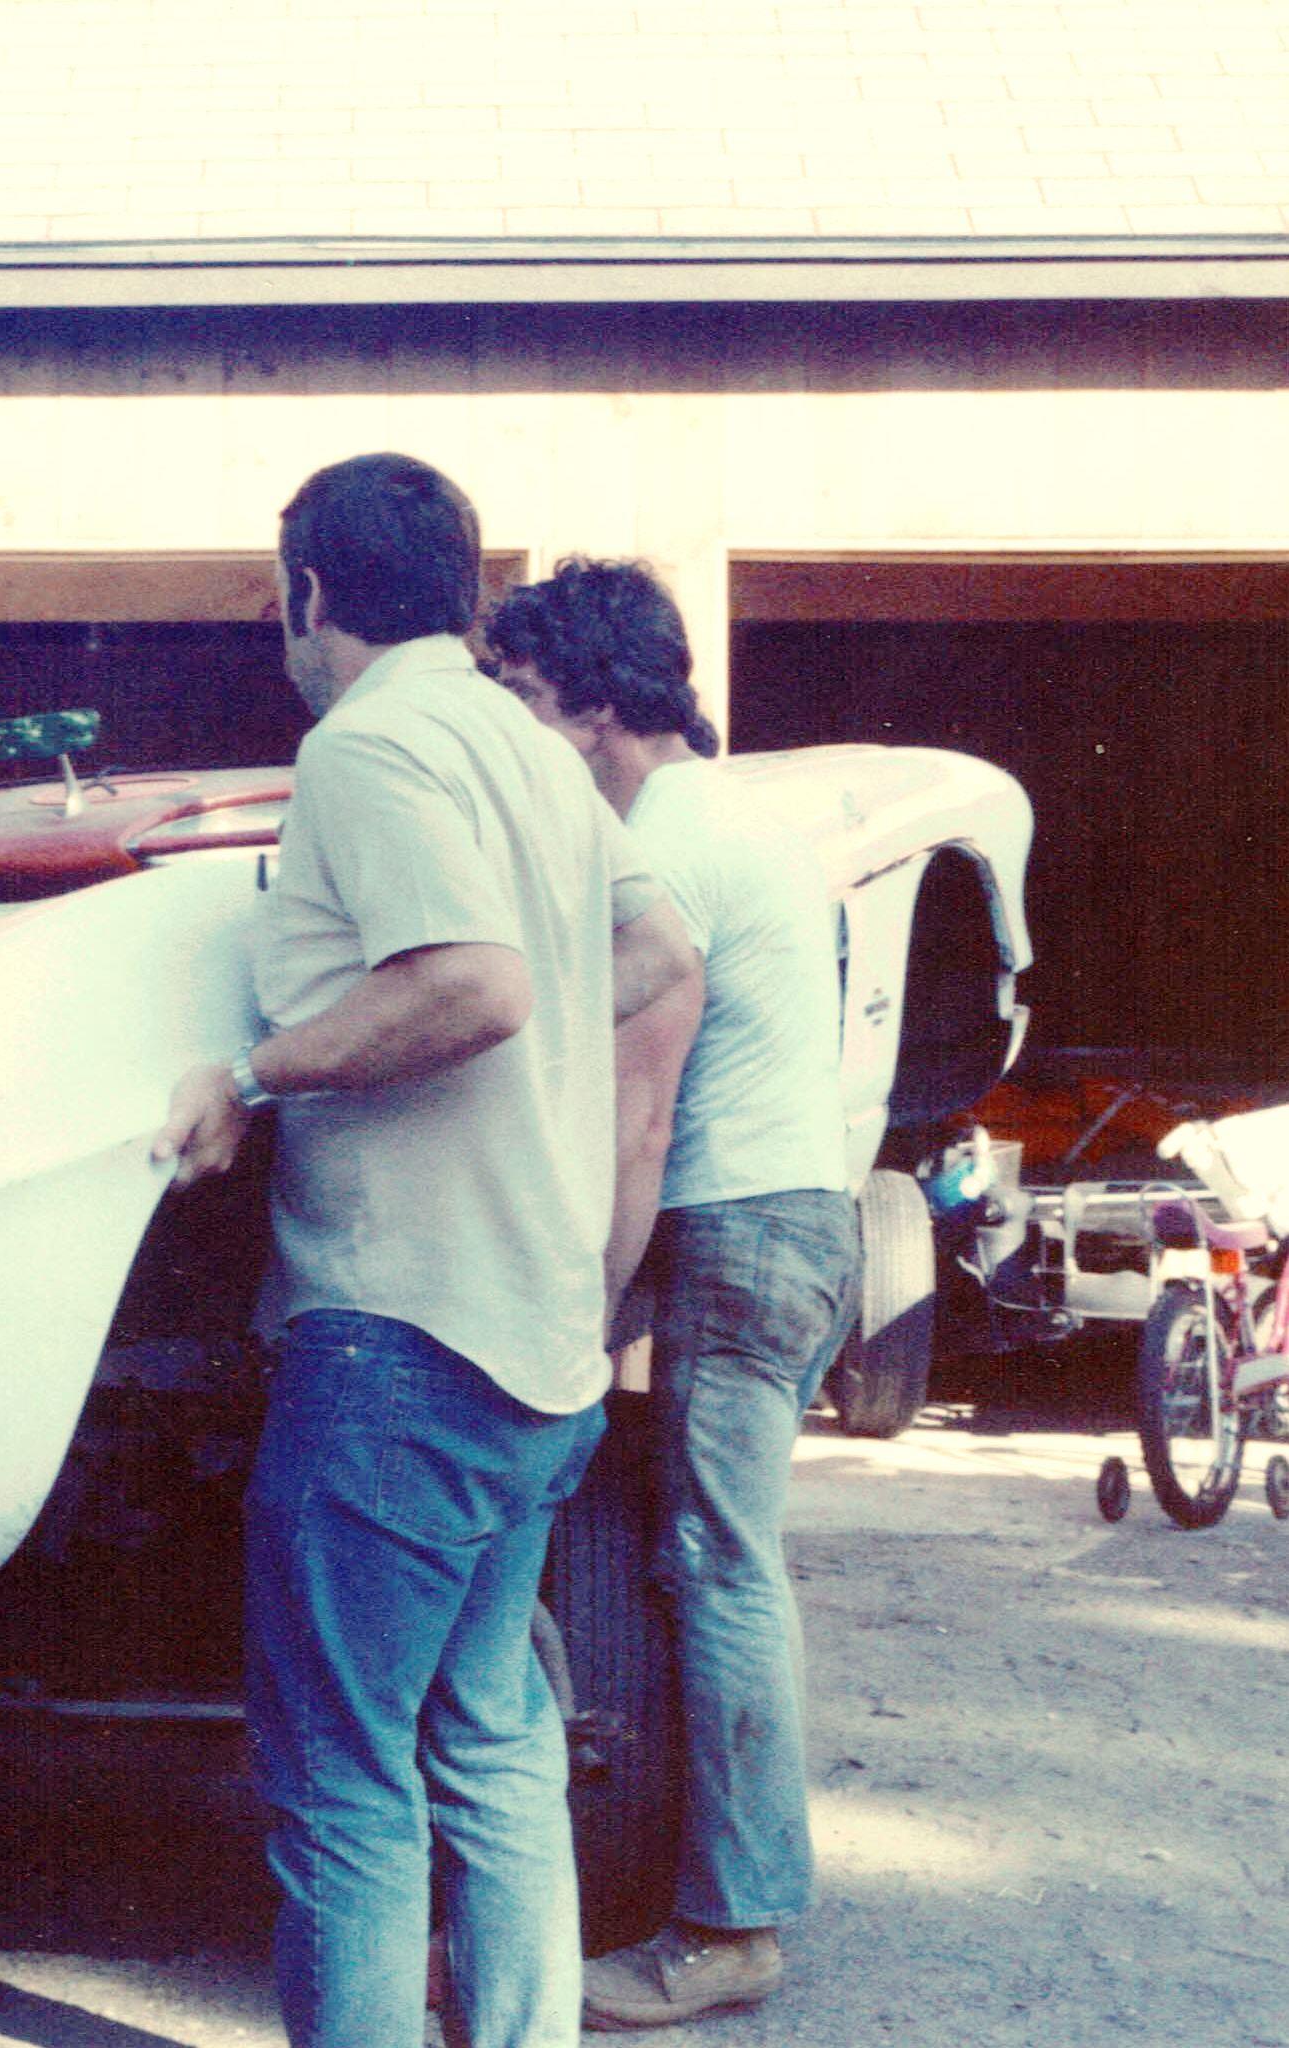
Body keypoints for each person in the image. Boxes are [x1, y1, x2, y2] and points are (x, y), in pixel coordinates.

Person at [152, 455, 700, 2048]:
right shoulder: (528, 748)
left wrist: (252, 1076)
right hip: (532, 1331)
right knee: (491, 1740)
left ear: (306, 593)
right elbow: (655, 950)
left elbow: (470, 988)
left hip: (399, 1336)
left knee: (339, 1777)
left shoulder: (367, 741)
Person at [486, 559, 856, 2031]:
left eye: (519, 696)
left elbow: (633, 1116)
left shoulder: (662, 850)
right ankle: (716, 1891)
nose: (512, 727)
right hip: (783, 1213)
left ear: (589, 704)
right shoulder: (731, 815)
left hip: (738, 1220)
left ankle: (729, 1929)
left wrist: (577, 1304)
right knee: (708, 1549)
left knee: (716, 1556)